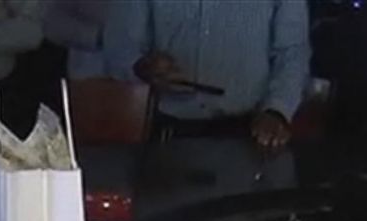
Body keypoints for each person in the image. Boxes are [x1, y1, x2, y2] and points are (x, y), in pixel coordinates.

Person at [102, 0, 310, 149]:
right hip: (166, 133)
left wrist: (277, 110)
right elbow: (120, 44)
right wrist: (143, 66)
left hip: (250, 132)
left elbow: (292, 51)